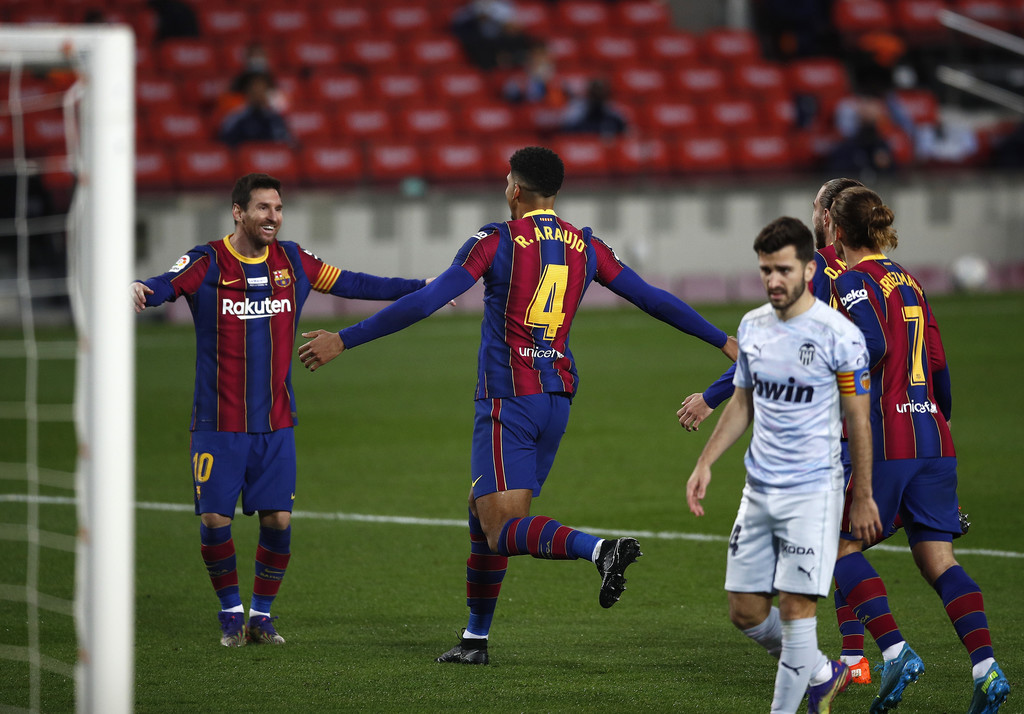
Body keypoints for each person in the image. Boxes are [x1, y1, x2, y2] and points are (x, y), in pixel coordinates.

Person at [297, 146, 738, 664]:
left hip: (510, 398)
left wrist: (344, 340)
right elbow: (652, 298)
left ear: (514, 189)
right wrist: (723, 341)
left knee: (502, 527)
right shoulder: (585, 243)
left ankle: (599, 550)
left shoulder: (496, 240)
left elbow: (428, 300)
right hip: (557, 399)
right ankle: (474, 640)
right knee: (481, 511)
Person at [130, 173, 430, 647]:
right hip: (217, 423)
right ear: (237, 211)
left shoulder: (293, 261)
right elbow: (169, 282)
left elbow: (352, 281)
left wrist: (424, 286)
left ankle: (262, 616)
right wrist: (143, 288)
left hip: (275, 422)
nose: (273, 217)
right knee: (214, 521)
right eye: (263, 208)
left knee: (278, 521)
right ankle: (230, 612)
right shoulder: (208, 261)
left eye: (278, 208)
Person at [827, 186, 1010, 714]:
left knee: (834, 550)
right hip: (932, 436)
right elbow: (940, 367)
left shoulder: (854, 281)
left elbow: (875, 346)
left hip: (887, 440)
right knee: (939, 560)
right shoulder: (911, 282)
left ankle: (896, 650)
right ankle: (985, 667)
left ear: (838, 232)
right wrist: (934, 417)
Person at [686, 216, 879, 714]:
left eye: (784, 270)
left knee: (797, 613)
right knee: (745, 611)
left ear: (809, 270)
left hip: (814, 493)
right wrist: (706, 462)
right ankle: (821, 672)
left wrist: (862, 496)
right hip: (759, 492)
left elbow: (859, 420)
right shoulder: (753, 327)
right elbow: (743, 402)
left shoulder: (840, 336)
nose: (774, 280)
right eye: (766, 270)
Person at [217, 70, 293, 147]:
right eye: (255, 88)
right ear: (247, 91)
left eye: (262, 88)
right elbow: (226, 146)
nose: (258, 92)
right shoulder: (236, 118)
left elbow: (289, 144)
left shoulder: (276, 118)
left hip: (274, 157)